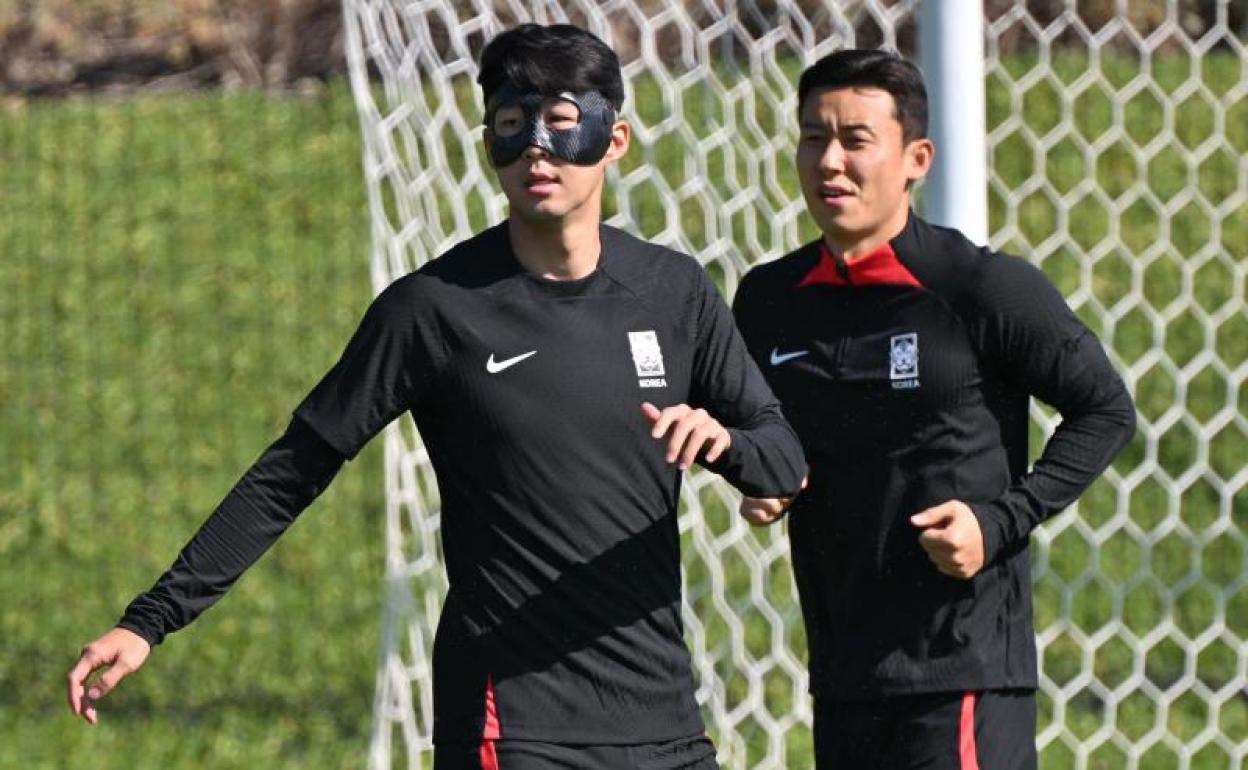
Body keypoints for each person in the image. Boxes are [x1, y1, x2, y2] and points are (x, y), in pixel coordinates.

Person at [67, 23, 807, 770]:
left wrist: (727, 446)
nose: (535, 151)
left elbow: (781, 458)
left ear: (614, 141)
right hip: (511, 727)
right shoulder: (433, 310)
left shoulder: (673, 291)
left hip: (666, 727)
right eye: (511, 127)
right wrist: (150, 621)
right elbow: (292, 471)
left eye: (559, 123)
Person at [731, 49, 1135, 770]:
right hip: (844, 669)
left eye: (856, 140)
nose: (829, 161)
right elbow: (774, 437)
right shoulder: (767, 302)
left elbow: (1104, 408)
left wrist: (998, 521)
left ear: (916, 158)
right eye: (813, 137)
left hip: (964, 670)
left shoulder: (980, 288)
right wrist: (767, 474)